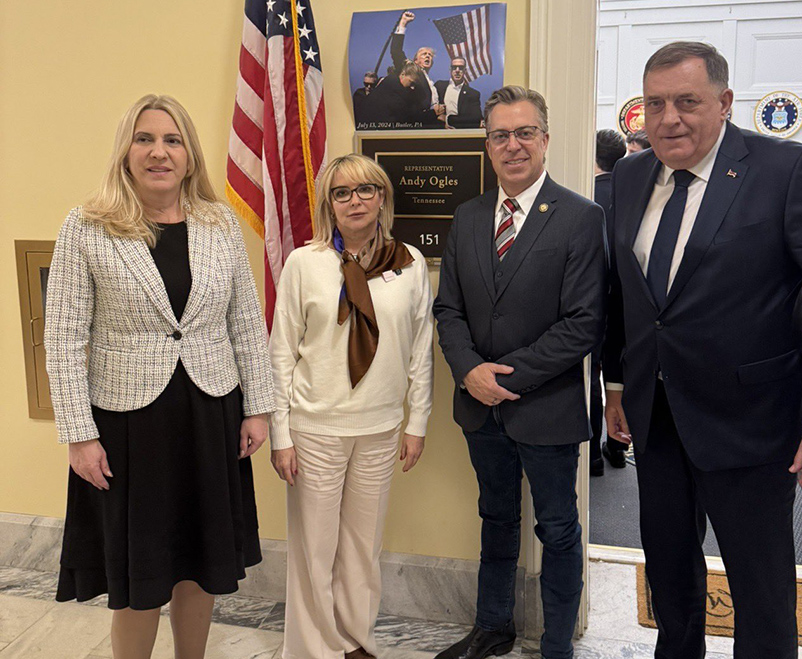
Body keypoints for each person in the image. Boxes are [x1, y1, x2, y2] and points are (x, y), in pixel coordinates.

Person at [603, 41, 802, 658]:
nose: (669, 119)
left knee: (761, 593)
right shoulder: (631, 176)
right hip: (657, 421)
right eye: (655, 103)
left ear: (723, 102)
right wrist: (616, 384)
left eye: (687, 101)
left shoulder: (786, 171)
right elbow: (625, 295)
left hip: (753, 428)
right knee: (669, 576)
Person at [44, 94, 275, 659]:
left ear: (189, 155)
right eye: (145, 139)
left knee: (201, 562)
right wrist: (79, 434)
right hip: (128, 425)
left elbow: (245, 319)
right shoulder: (88, 225)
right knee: (140, 571)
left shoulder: (218, 223)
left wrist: (259, 406)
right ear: (126, 151)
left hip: (210, 414)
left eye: (172, 140)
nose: (158, 152)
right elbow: (64, 336)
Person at [433, 86, 607, 659]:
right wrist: (469, 372)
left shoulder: (582, 217)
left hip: (547, 408)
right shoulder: (468, 215)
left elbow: (583, 324)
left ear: (545, 140)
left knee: (557, 530)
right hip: (478, 406)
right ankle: (493, 627)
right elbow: (448, 310)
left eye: (524, 133)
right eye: (501, 135)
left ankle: (557, 641)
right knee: (495, 518)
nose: (513, 145)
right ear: (487, 145)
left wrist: (503, 378)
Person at [268, 153, 434, 659]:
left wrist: (417, 421)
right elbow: (280, 352)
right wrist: (281, 434)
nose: (355, 200)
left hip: (382, 428)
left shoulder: (408, 262)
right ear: (329, 205)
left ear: (382, 197)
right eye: (342, 192)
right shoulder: (304, 263)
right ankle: (315, 650)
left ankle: (356, 640)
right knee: (315, 551)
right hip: (315, 428)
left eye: (365, 189)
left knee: (363, 547)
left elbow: (420, 346)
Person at [589, 129, 627, 476]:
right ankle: (619, 445)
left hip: (593, 304)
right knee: (619, 374)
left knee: (590, 376)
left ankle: (592, 456)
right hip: (628, 306)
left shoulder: (584, 196)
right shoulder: (634, 194)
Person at [391, 10, 445, 127]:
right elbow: (396, 52)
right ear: (415, 61)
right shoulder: (412, 71)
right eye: (424, 54)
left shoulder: (431, 83)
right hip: (416, 125)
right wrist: (403, 23)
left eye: (430, 55)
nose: (427, 56)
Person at [364, 61, 424, 128]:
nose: (412, 87)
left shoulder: (388, 85)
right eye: (411, 83)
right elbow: (409, 116)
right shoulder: (395, 92)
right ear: (403, 74)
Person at [435, 57, 483, 129]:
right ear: (450, 70)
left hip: (461, 134)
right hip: (438, 133)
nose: (457, 70)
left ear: (465, 71)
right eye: (454, 67)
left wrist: (447, 119)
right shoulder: (439, 86)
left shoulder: (472, 94)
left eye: (460, 68)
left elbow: (475, 120)